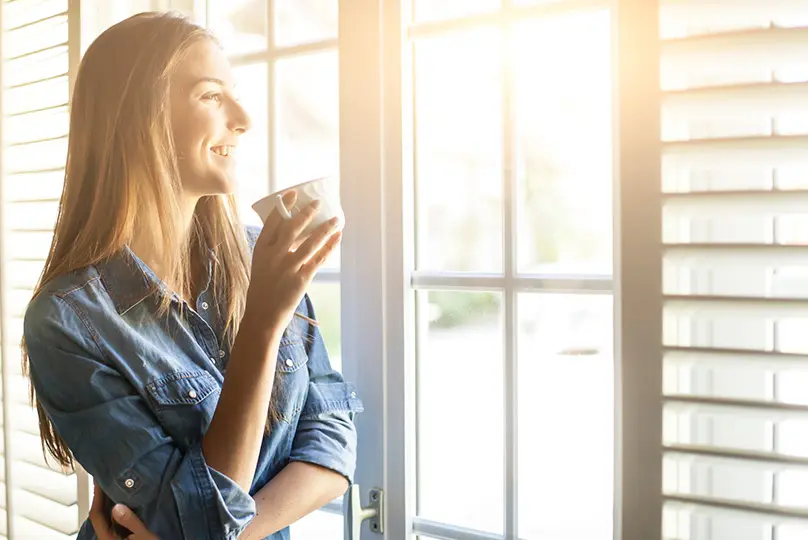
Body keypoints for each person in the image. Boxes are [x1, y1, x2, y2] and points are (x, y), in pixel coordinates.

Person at [22, 11, 362, 540]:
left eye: (234, 93)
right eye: (210, 96)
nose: (244, 117)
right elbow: (200, 523)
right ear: (140, 118)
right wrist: (263, 323)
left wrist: (234, 534)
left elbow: (333, 439)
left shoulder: (259, 254)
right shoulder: (66, 321)